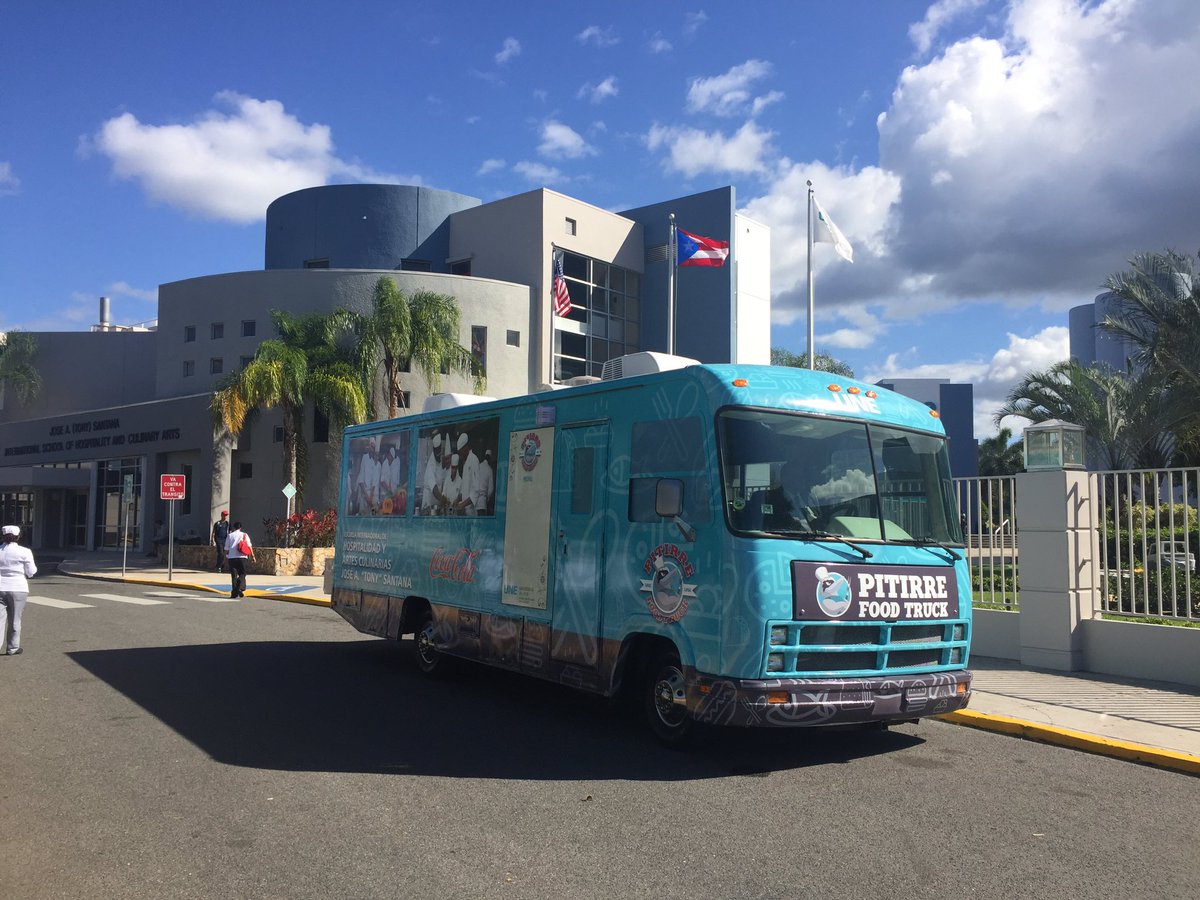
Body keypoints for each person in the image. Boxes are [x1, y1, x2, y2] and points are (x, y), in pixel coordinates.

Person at [0, 525, 37, 656]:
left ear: (3, 536)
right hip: (18, 588)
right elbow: (31, 572)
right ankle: (12, 648)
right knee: (15, 619)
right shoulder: (25, 551)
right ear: (18, 536)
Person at [224, 521, 254, 598]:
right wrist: (252, 556)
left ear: (234, 527)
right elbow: (249, 546)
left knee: (234, 576)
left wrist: (226, 556)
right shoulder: (244, 535)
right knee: (242, 574)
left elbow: (226, 548)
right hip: (242, 558)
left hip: (232, 558)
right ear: (240, 528)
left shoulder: (230, 535)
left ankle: (234, 593)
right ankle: (239, 587)